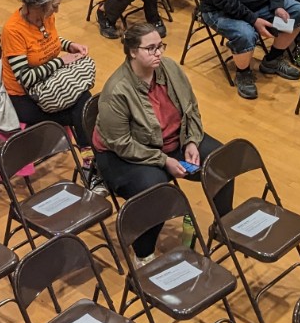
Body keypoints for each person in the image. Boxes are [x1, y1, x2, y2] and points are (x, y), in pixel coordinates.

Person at [92, 22, 228, 261]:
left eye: (160, 46)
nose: (158, 53)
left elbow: (191, 109)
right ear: (133, 51)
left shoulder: (170, 69)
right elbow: (121, 142)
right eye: (151, 48)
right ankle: (143, 255)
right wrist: (163, 160)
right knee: (158, 192)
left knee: (221, 161)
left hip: (171, 142)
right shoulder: (117, 90)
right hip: (125, 156)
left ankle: (223, 226)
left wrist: (192, 142)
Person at [1, 0, 95, 135]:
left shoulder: (46, 16)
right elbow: (26, 78)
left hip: (48, 84)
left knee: (85, 100)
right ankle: (89, 154)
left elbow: (47, 41)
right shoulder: (13, 30)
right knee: (81, 110)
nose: (56, 11)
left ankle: (88, 154)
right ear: (38, 4)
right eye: (54, 6)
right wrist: (61, 61)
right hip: (23, 97)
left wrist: (69, 45)